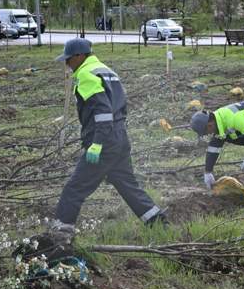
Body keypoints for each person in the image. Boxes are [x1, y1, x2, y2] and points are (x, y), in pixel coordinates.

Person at [50, 39, 167, 236]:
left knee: (75, 188)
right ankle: (157, 223)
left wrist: (97, 144)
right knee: (126, 184)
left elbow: (103, 112)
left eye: (68, 59)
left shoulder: (87, 74)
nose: (67, 64)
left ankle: (60, 233)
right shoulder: (106, 70)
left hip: (103, 139)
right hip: (120, 136)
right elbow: (120, 105)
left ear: (79, 56)